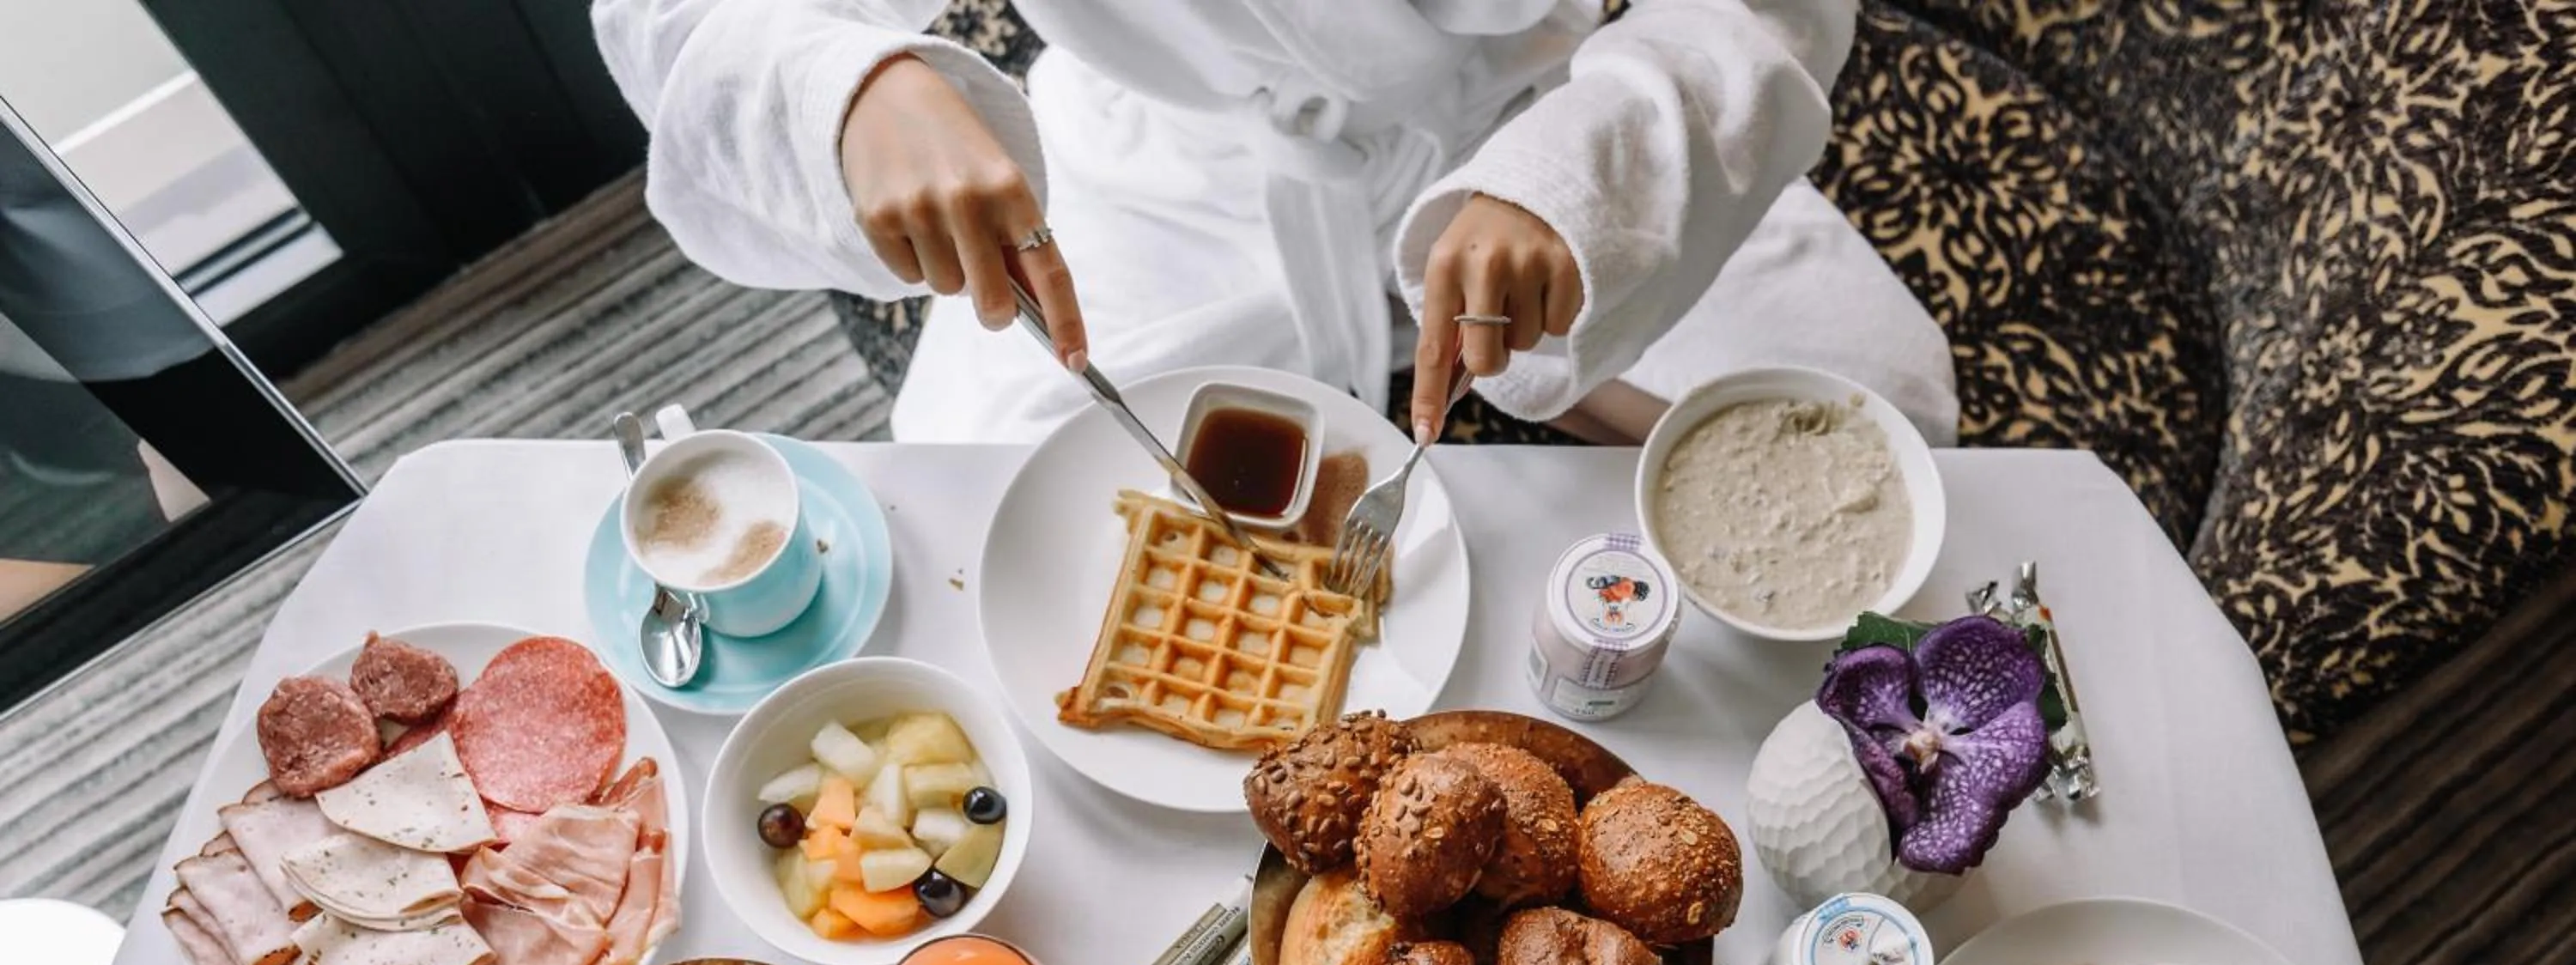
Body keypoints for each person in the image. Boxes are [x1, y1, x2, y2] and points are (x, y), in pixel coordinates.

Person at [591, 0, 1957, 447]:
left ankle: (1501, 343)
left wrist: (1577, 185)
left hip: (1516, 119)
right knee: (977, 472)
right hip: (1168, 152)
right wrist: (850, 90)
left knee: (1874, 412)